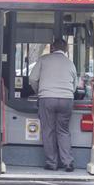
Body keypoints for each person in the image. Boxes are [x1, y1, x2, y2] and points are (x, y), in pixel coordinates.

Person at [29, 38, 77, 172]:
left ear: (52, 48)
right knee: (63, 130)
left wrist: (39, 91)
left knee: (48, 130)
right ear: (66, 49)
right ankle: (68, 162)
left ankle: (52, 163)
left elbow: (32, 78)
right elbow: (74, 84)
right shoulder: (70, 63)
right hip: (67, 100)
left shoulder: (44, 60)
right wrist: (66, 92)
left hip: (47, 99)